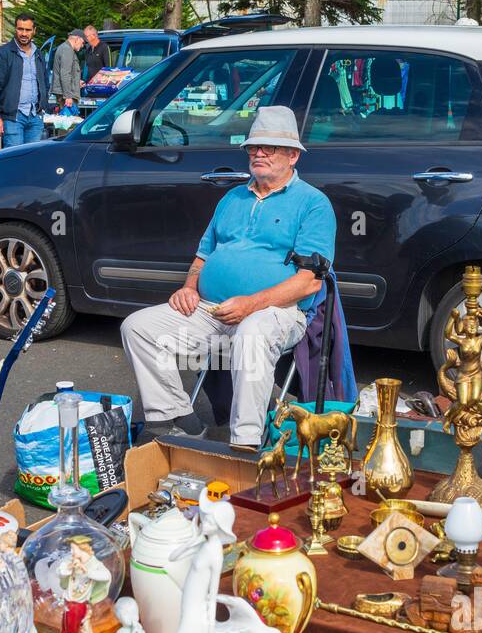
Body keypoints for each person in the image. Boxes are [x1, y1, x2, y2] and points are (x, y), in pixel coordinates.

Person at [120, 106, 336, 449]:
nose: (258, 153)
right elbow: (202, 256)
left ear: (293, 156)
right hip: (211, 310)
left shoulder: (312, 204)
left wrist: (251, 304)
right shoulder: (232, 198)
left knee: (252, 332)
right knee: (138, 327)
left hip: (276, 313)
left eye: (269, 147)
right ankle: (176, 420)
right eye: (253, 147)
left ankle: (245, 444)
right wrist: (189, 287)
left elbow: (310, 281)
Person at [0, 11, 49, 148]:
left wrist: (43, 105)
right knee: (14, 161)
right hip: (13, 118)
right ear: (15, 29)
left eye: (28, 30)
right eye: (20, 29)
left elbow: (44, 83)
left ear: (34, 31)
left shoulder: (38, 54)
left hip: (35, 116)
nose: (24, 33)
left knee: (33, 161)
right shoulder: (2, 54)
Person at [50, 29, 85, 113]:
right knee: (68, 124)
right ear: (77, 39)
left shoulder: (66, 48)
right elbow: (65, 74)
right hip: (66, 96)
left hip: (65, 94)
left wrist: (77, 82)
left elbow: (68, 72)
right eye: (83, 42)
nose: (83, 46)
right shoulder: (67, 50)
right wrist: (68, 96)